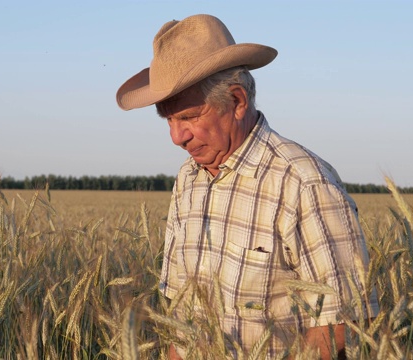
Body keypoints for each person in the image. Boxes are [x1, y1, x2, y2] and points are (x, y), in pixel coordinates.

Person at [116, 14, 378, 359]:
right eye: (169, 120)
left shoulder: (303, 182)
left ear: (237, 101)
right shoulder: (189, 179)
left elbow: (341, 322)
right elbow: (181, 312)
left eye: (189, 116)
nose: (177, 137)